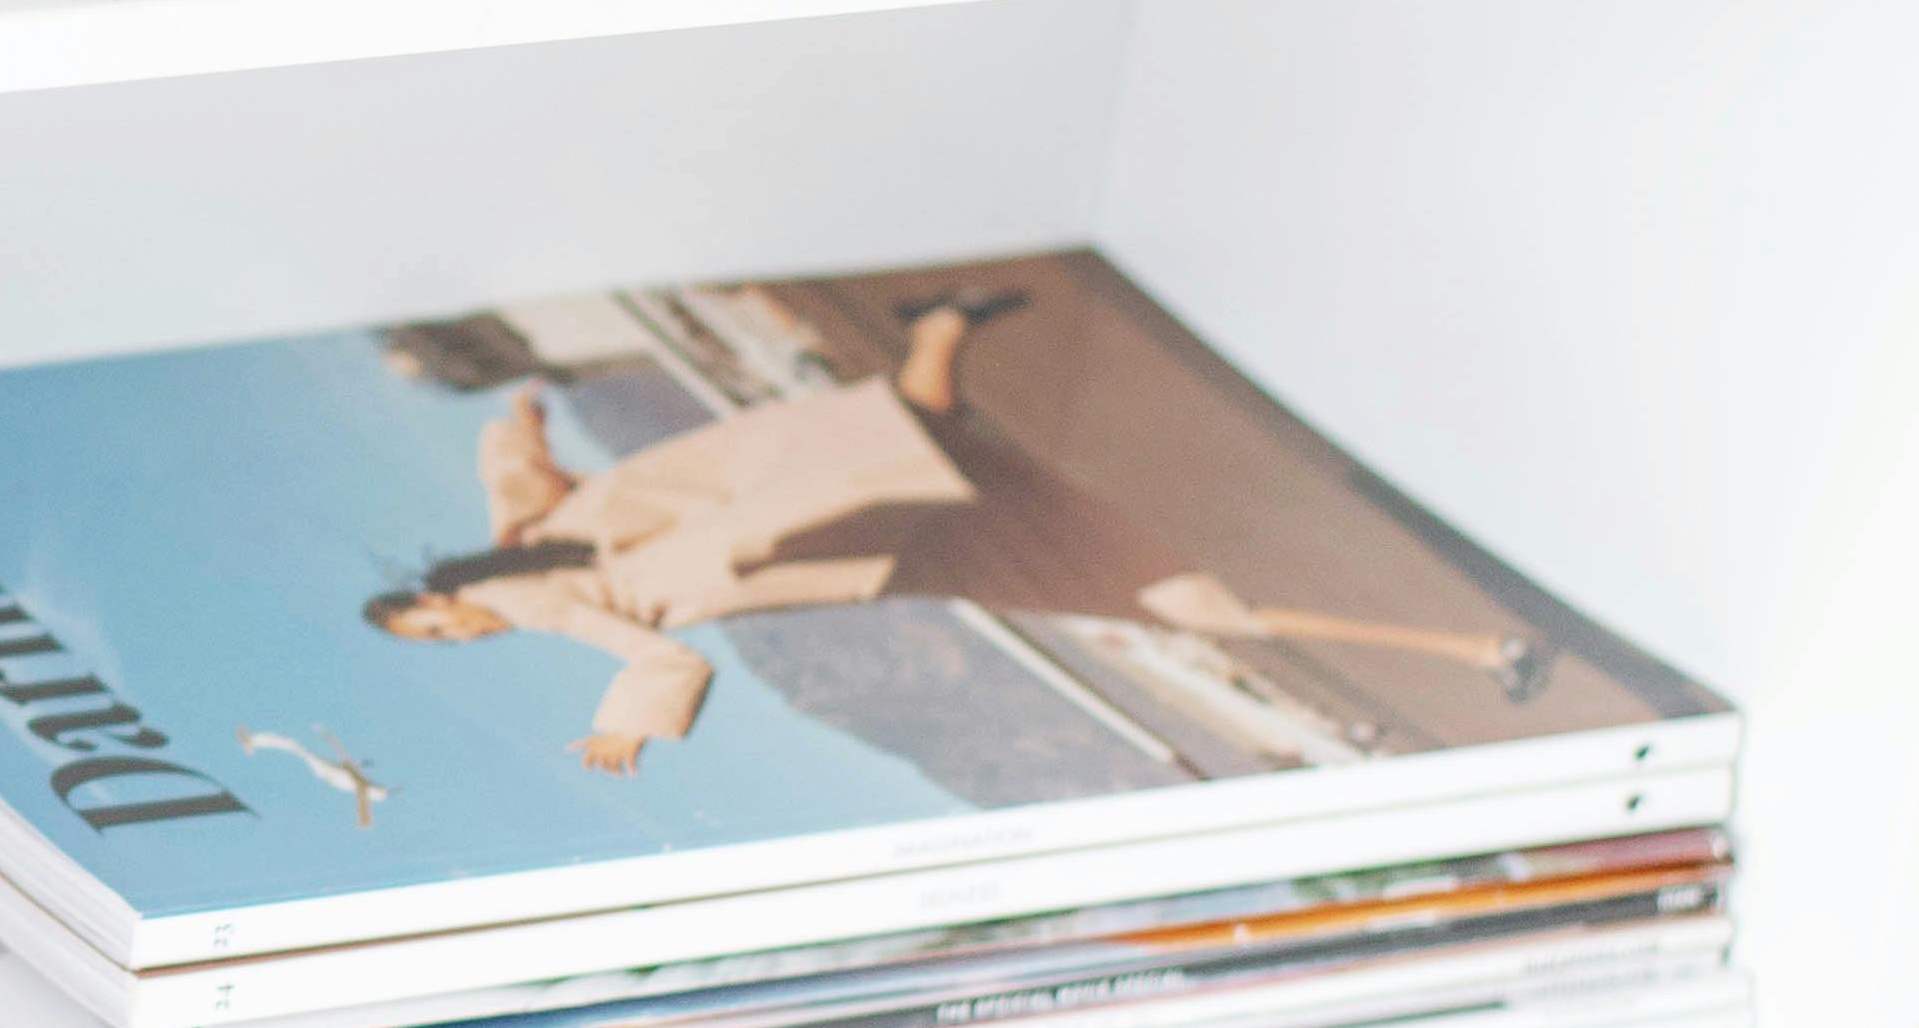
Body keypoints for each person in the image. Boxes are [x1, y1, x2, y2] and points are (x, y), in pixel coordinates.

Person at [360, 288, 1557, 774]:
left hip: (855, 531)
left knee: (1171, 598)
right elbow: (510, 462)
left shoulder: (530, 591)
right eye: (437, 642)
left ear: (432, 599)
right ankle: (1474, 654)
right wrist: (516, 409)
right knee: (1177, 599)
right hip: (832, 516)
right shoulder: (519, 544)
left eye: (429, 629)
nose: (452, 637)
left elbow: (663, 657)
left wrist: (621, 731)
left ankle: (1479, 653)